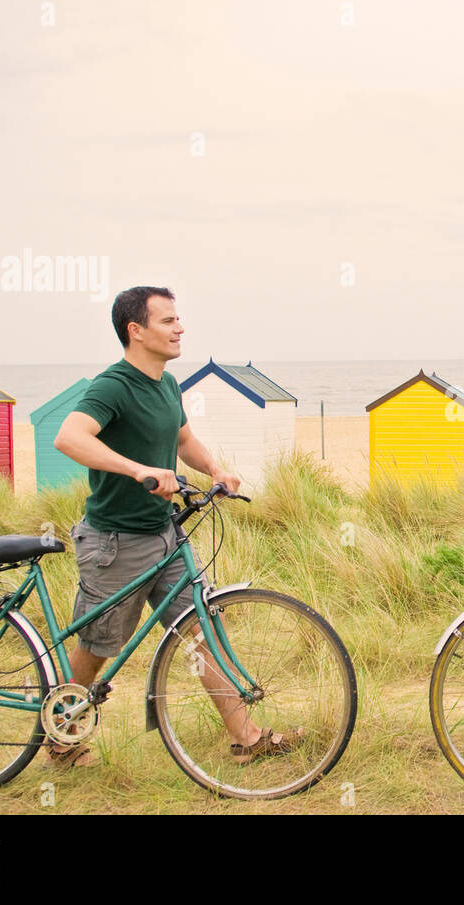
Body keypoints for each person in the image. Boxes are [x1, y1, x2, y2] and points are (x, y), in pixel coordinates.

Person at [51, 285, 300, 766]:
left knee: (204, 627)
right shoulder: (113, 386)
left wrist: (214, 469)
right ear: (136, 331)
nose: (180, 327)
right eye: (168, 321)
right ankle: (60, 734)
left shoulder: (165, 384)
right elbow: (69, 437)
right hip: (115, 541)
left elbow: (183, 438)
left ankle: (247, 738)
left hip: (164, 533)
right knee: (100, 644)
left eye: (178, 319)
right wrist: (137, 470)